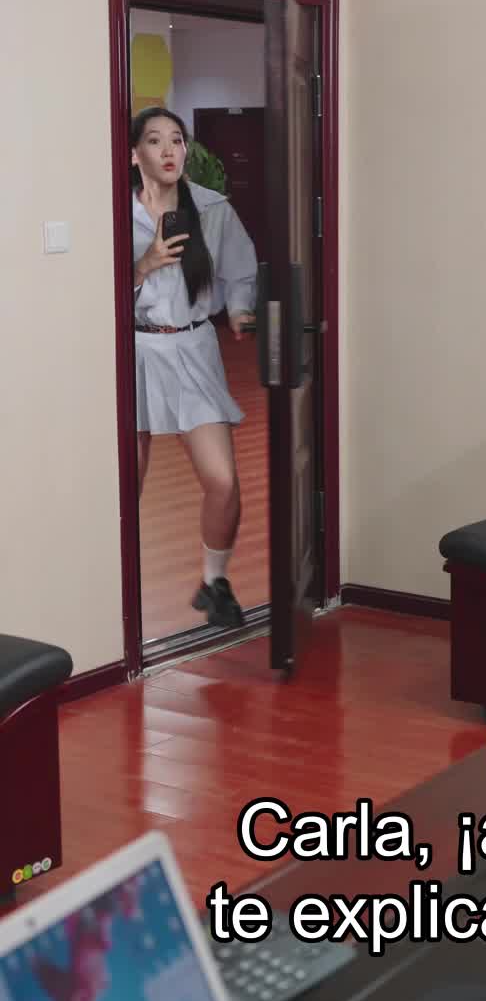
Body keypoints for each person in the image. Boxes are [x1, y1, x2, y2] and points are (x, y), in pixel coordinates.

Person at [130, 106, 257, 632]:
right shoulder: (112, 212)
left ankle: (214, 582)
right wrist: (144, 264)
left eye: (177, 140)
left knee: (223, 480)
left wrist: (242, 310)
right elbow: (89, 290)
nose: (169, 150)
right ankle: (113, 596)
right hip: (135, 351)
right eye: (155, 140)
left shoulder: (212, 208)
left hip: (194, 349)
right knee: (126, 489)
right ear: (134, 154)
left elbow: (241, 270)